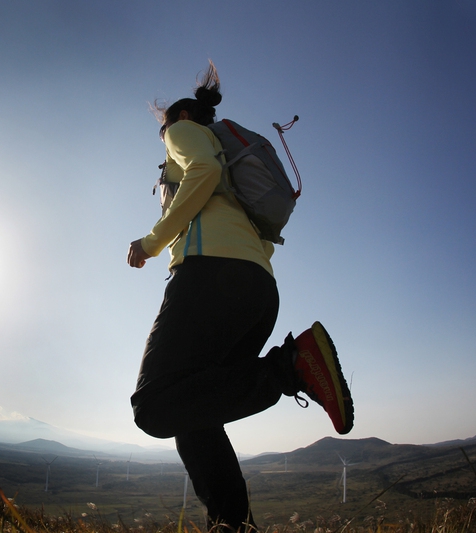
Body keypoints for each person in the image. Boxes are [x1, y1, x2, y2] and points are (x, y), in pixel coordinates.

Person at [126, 62, 354, 533]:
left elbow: (202, 171)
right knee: (195, 417)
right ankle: (232, 526)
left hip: (211, 276)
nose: (162, 136)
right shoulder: (226, 155)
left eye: (162, 127)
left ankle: (290, 367)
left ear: (179, 117)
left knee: (154, 405)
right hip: (255, 289)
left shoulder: (183, 133)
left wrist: (149, 244)